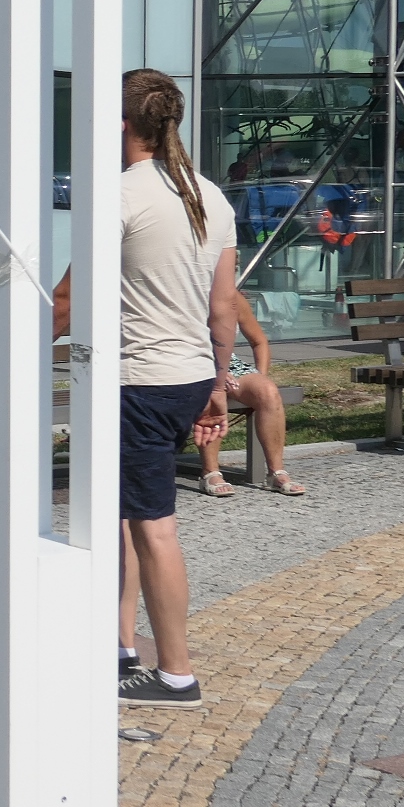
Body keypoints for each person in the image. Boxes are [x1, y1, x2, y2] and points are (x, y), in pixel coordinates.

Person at [52, 69, 239, 707]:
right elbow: (222, 308)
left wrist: (4, 353)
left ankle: (176, 673)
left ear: (122, 124)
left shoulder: (118, 194)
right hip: (187, 376)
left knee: (153, 526)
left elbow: (68, 299)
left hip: (139, 383)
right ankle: (119, 645)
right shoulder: (209, 196)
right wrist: (217, 384)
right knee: (125, 515)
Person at [196, 297, 304, 497]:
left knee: (267, 392)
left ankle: (276, 473)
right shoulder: (184, 294)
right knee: (213, 389)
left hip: (230, 363)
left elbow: (259, 341)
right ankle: (210, 472)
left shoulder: (233, 299)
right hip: (193, 362)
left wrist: (260, 376)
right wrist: (215, 372)